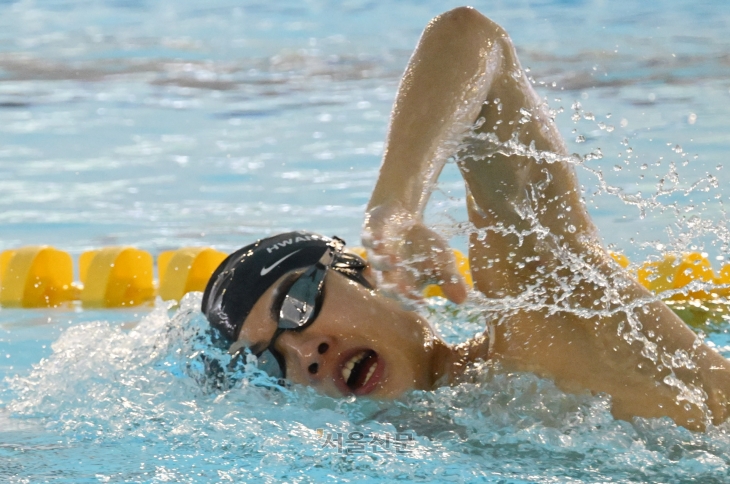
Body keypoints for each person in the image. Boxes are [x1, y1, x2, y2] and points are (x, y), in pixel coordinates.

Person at [201, 7, 730, 431]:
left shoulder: (540, 315)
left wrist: (396, 205)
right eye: (272, 362)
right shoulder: (441, 441)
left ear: (362, 272)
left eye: (297, 304)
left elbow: (470, 38)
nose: (305, 356)